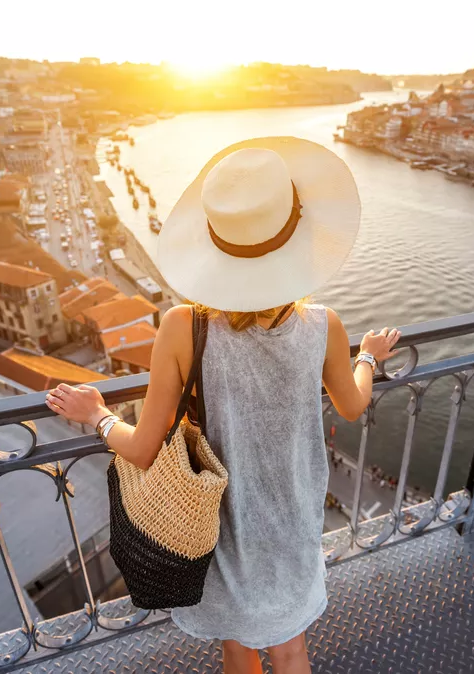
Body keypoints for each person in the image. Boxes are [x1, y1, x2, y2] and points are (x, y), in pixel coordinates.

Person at [46, 137, 401, 674]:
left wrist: (98, 414)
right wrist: (368, 356)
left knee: (238, 646)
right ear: (297, 235)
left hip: (221, 523)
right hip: (294, 514)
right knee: (290, 649)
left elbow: (142, 449)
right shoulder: (323, 326)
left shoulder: (182, 328)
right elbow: (351, 405)